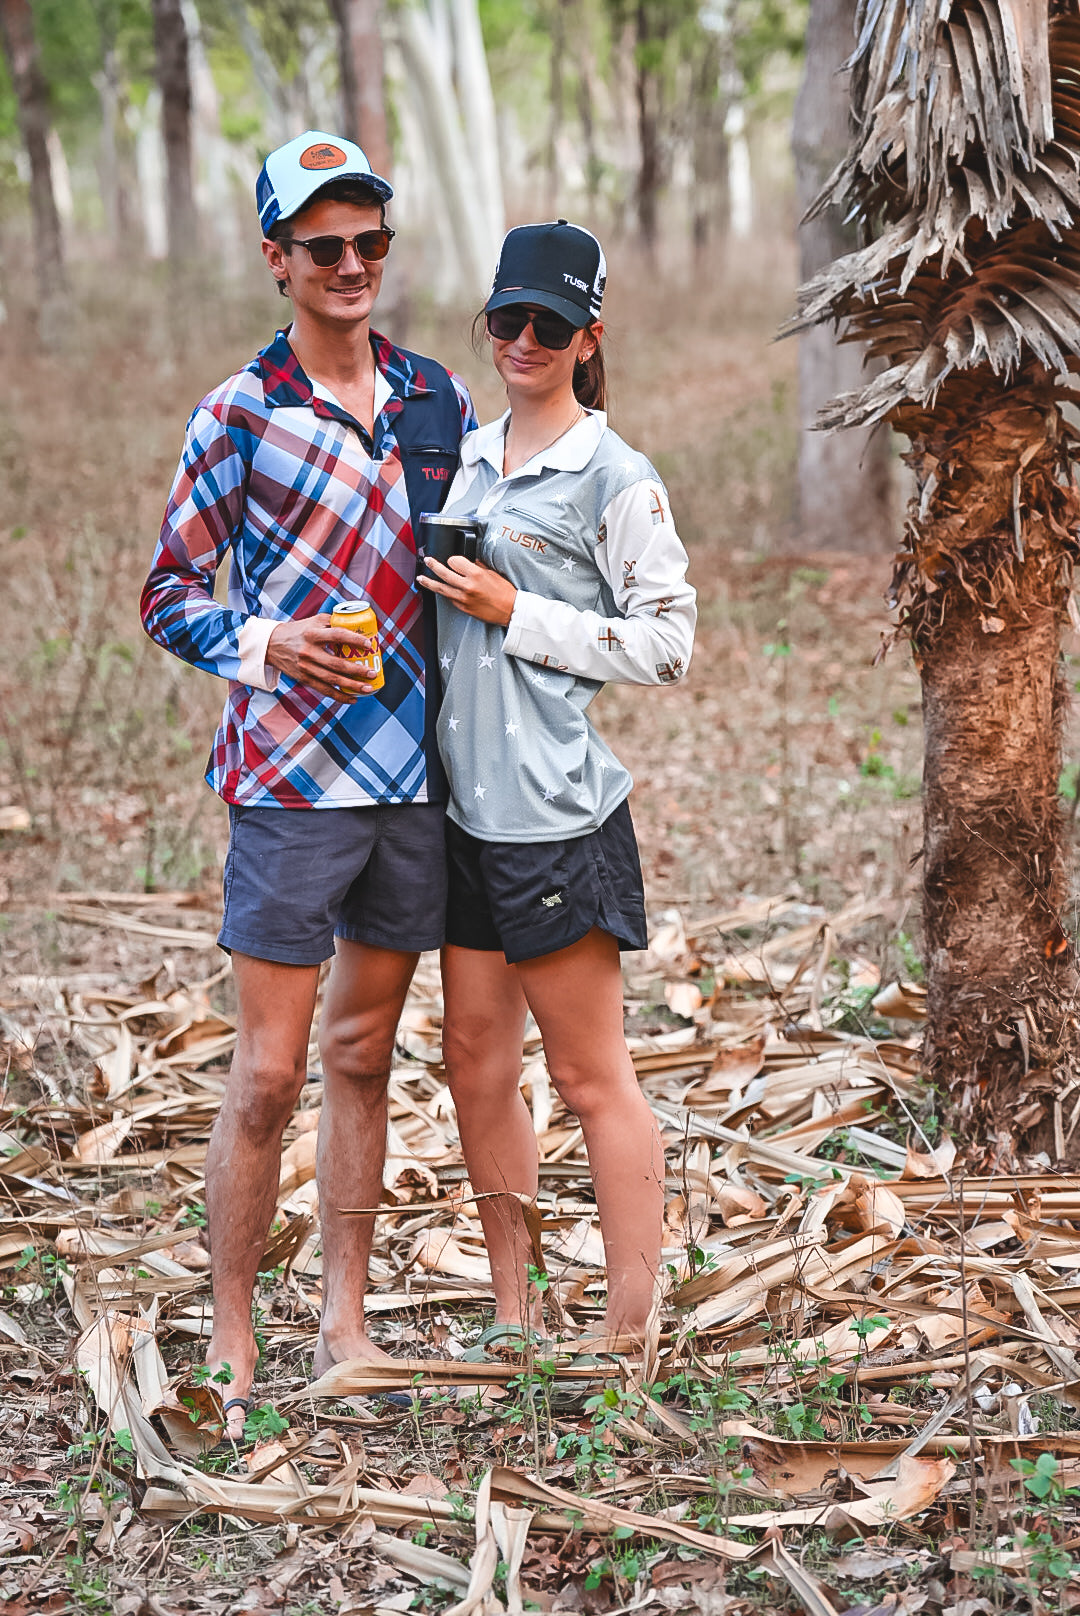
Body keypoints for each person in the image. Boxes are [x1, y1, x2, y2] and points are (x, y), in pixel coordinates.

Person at [141, 131, 475, 1436]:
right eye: (323, 246)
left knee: (363, 1055)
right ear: (276, 258)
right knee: (270, 1073)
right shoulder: (239, 414)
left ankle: (343, 1312)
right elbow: (172, 596)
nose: (351, 266)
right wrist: (271, 642)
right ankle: (234, 1328)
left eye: (370, 243)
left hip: (411, 787)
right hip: (287, 785)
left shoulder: (435, 398)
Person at [419, 221, 696, 1353]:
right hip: (461, 818)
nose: (522, 340)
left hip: (556, 818)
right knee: (477, 1063)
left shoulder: (616, 477)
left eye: (548, 324)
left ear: (589, 337)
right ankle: (514, 1310)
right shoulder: (469, 459)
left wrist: (517, 613)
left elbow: (670, 643)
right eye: (506, 319)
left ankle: (630, 1331)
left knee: (589, 1075)